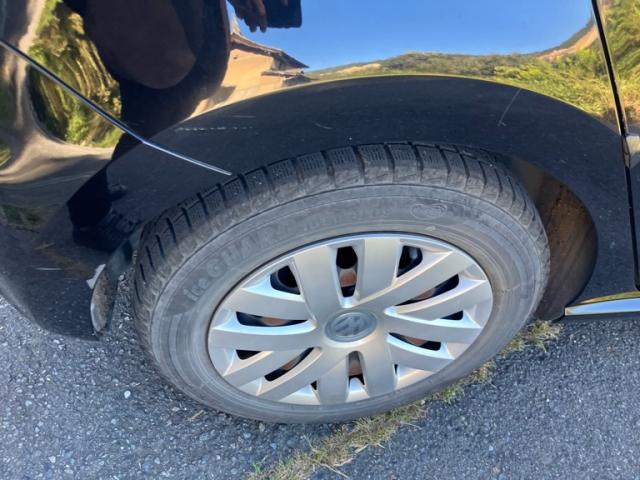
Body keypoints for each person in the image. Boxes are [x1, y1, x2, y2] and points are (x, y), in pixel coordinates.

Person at [64, 0, 296, 250]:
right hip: (136, 25)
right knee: (125, 117)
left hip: (172, 34)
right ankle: (91, 217)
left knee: (154, 113)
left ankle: (94, 185)